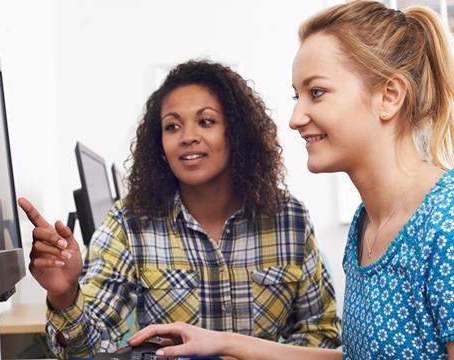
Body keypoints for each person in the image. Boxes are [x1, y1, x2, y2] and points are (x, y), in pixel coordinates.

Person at [128, 1, 454, 359]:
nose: (296, 117)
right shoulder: (369, 222)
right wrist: (222, 342)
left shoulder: (445, 224)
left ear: (389, 97)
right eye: (296, 96)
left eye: (316, 93)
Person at [18, 60, 341, 358]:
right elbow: (86, 350)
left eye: (206, 121)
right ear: (158, 143)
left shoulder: (289, 219)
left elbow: (322, 334)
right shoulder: (130, 223)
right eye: (172, 127)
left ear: (236, 133)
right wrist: (65, 295)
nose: (187, 137)